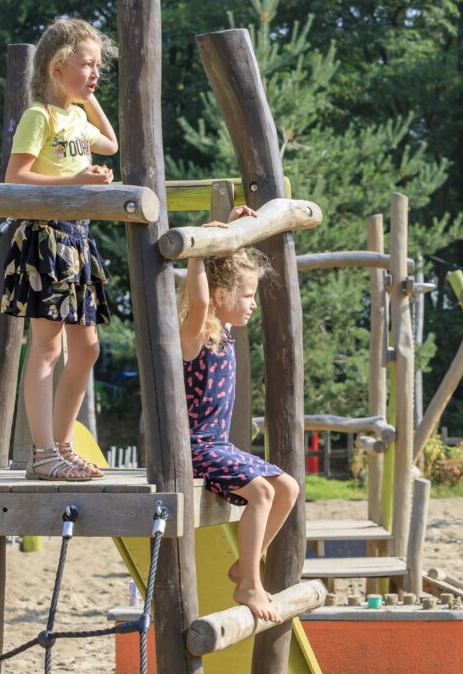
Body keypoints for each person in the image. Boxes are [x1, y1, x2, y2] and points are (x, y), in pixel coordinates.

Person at [2, 17, 118, 481]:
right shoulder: (40, 117)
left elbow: (110, 144)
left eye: (98, 66)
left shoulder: (77, 118)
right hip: (47, 239)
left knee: (86, 350)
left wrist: (87, 98)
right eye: (86, 65)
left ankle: (63, 446)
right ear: (56, 68)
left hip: (78, 239)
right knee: (47, 348)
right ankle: (44, 453)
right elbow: (15, 178)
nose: (95, 73)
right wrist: (76, 181)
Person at [179, 209, 299, 623]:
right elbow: (199, 297)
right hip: (195, 449)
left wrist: (232, 231)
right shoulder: (197, 333)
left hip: (219, 446)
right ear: (220, 296)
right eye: (246, 296)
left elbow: (224, 265)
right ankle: (249, 581)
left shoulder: (226, 331)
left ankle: (243, 566)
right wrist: (196, 252)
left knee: (288, 488)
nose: (252, 304)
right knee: (262, 492)